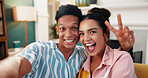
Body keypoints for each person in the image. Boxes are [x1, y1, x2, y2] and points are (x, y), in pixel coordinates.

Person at [0, 4, 135, 78]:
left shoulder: (83, 55)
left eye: (74, 28)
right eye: (63, 28)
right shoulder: (40, 48)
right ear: (57, 30)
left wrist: (125, 49)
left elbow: (109, 57)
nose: (68, 34)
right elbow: (16, 64)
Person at [77, 7, 135, 78]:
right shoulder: (81, 61)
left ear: (106, 33)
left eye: (92, 32)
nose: (86, 39)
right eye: (82, 34)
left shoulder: (121, 59)